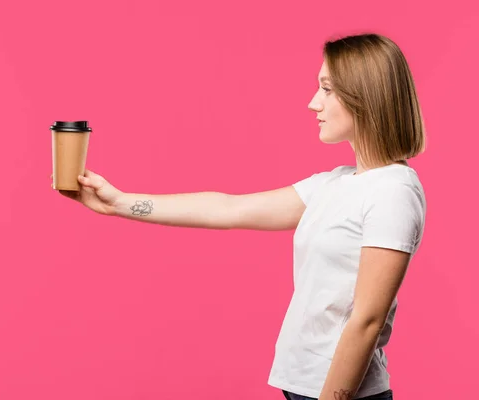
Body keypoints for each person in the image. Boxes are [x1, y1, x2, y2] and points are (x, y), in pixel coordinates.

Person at [58, 33, 426, 400]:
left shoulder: (392, 191)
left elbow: (367, 321)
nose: (313, 103)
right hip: (302, 386)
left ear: (365, 95)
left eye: (327, 89)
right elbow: (228, 208)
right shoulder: (336, 184)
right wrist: (118, 202)